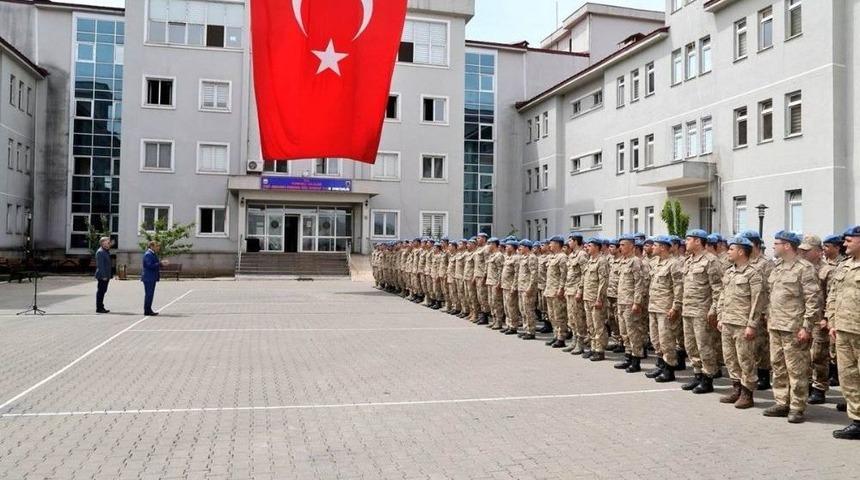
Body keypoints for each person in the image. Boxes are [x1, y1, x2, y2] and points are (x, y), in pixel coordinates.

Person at [763, 230, 820, 424]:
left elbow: (813, 300)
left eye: (776, 243)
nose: (773, 246)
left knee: (796, 370)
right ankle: (781, 402)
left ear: (787, 245)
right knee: (778, 366)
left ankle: (797, 406)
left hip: (794, 327)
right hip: (776, 325)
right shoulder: (777, 267)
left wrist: (807, 327)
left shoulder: (805, 268)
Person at [716, 236, 764, 409]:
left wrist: (752, 324)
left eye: (731, 249)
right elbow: (722, 295)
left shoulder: (753, 274)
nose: (728, 252)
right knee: (730, 358)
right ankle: (736, 388)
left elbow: (757, 301)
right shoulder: (729, 272)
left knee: (746, 360)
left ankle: (747, 393)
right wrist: (720, 316)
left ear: (741, 251)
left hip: (742, 324)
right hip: (728, 321)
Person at [680, 229, 723, 394]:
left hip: (702, 311)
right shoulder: (689, 260)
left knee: (704, 346)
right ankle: (697, 374)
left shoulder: (711, 260)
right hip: (688, 309)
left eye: (688, 239)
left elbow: (718, 289)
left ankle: (708, 378)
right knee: (691, 346)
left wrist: (714, 310)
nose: (686, 242)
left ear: (698, 241)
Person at [829, 225, 860, 439]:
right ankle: (857, 420)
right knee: (848, 377)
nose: (845, 244)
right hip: (843, 329)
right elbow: (833, 295)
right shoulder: (843, 266)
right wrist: (832, 321)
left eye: (849, 240)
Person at [142, 241, 165, 316]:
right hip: (149, 277)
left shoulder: (152, 254)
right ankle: (147, 310)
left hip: (151, 277)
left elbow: (153, 264)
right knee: (149, 294)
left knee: (150, 294)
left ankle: (148, 309)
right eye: (157, 246)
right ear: (151, 246)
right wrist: (160, 263)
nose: (158, 247)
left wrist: (161, 264)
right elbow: (149, 265)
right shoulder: (148, 254)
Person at [94, 236, 112, 314]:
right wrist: (104, 276)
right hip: (102, 276)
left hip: (106, 275)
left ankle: (101, 306)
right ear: (102, 243)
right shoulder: (100, 252)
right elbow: (100, 266)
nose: (109, 244)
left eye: (109, 242)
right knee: (101, 291)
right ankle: (99, 308)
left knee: (103, 291)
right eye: (108, 242)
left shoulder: (105, 251)